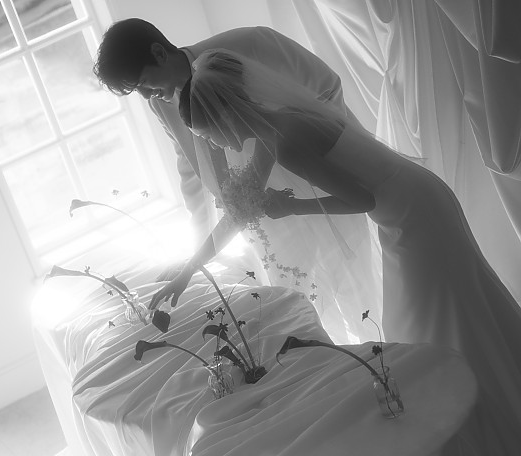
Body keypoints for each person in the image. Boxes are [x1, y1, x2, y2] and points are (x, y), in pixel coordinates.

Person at [168, 49, 521, 428]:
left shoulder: (285, 141)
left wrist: (292, 207)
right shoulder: (274, 129)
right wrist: (190, 268)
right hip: (412, 201)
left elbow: (362, 199)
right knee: (447, 309)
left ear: (224, 115)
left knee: (435, 314)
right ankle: (483, 399)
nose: (215, 146)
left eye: (208, 135)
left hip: (413, 215)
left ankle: (481, 413)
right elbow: (239, 212)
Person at [94, 20, 381, 343]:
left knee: (356, 291)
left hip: (323, 183)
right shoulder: (160, 105)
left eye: (144, 83)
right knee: (298, 303)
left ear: (159, 53)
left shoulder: (249, 44)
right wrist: (196, 254)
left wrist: (286, 155)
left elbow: (324, 86)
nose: (146, 95)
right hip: (264, 216)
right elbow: (189, 167)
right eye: (137, 90)